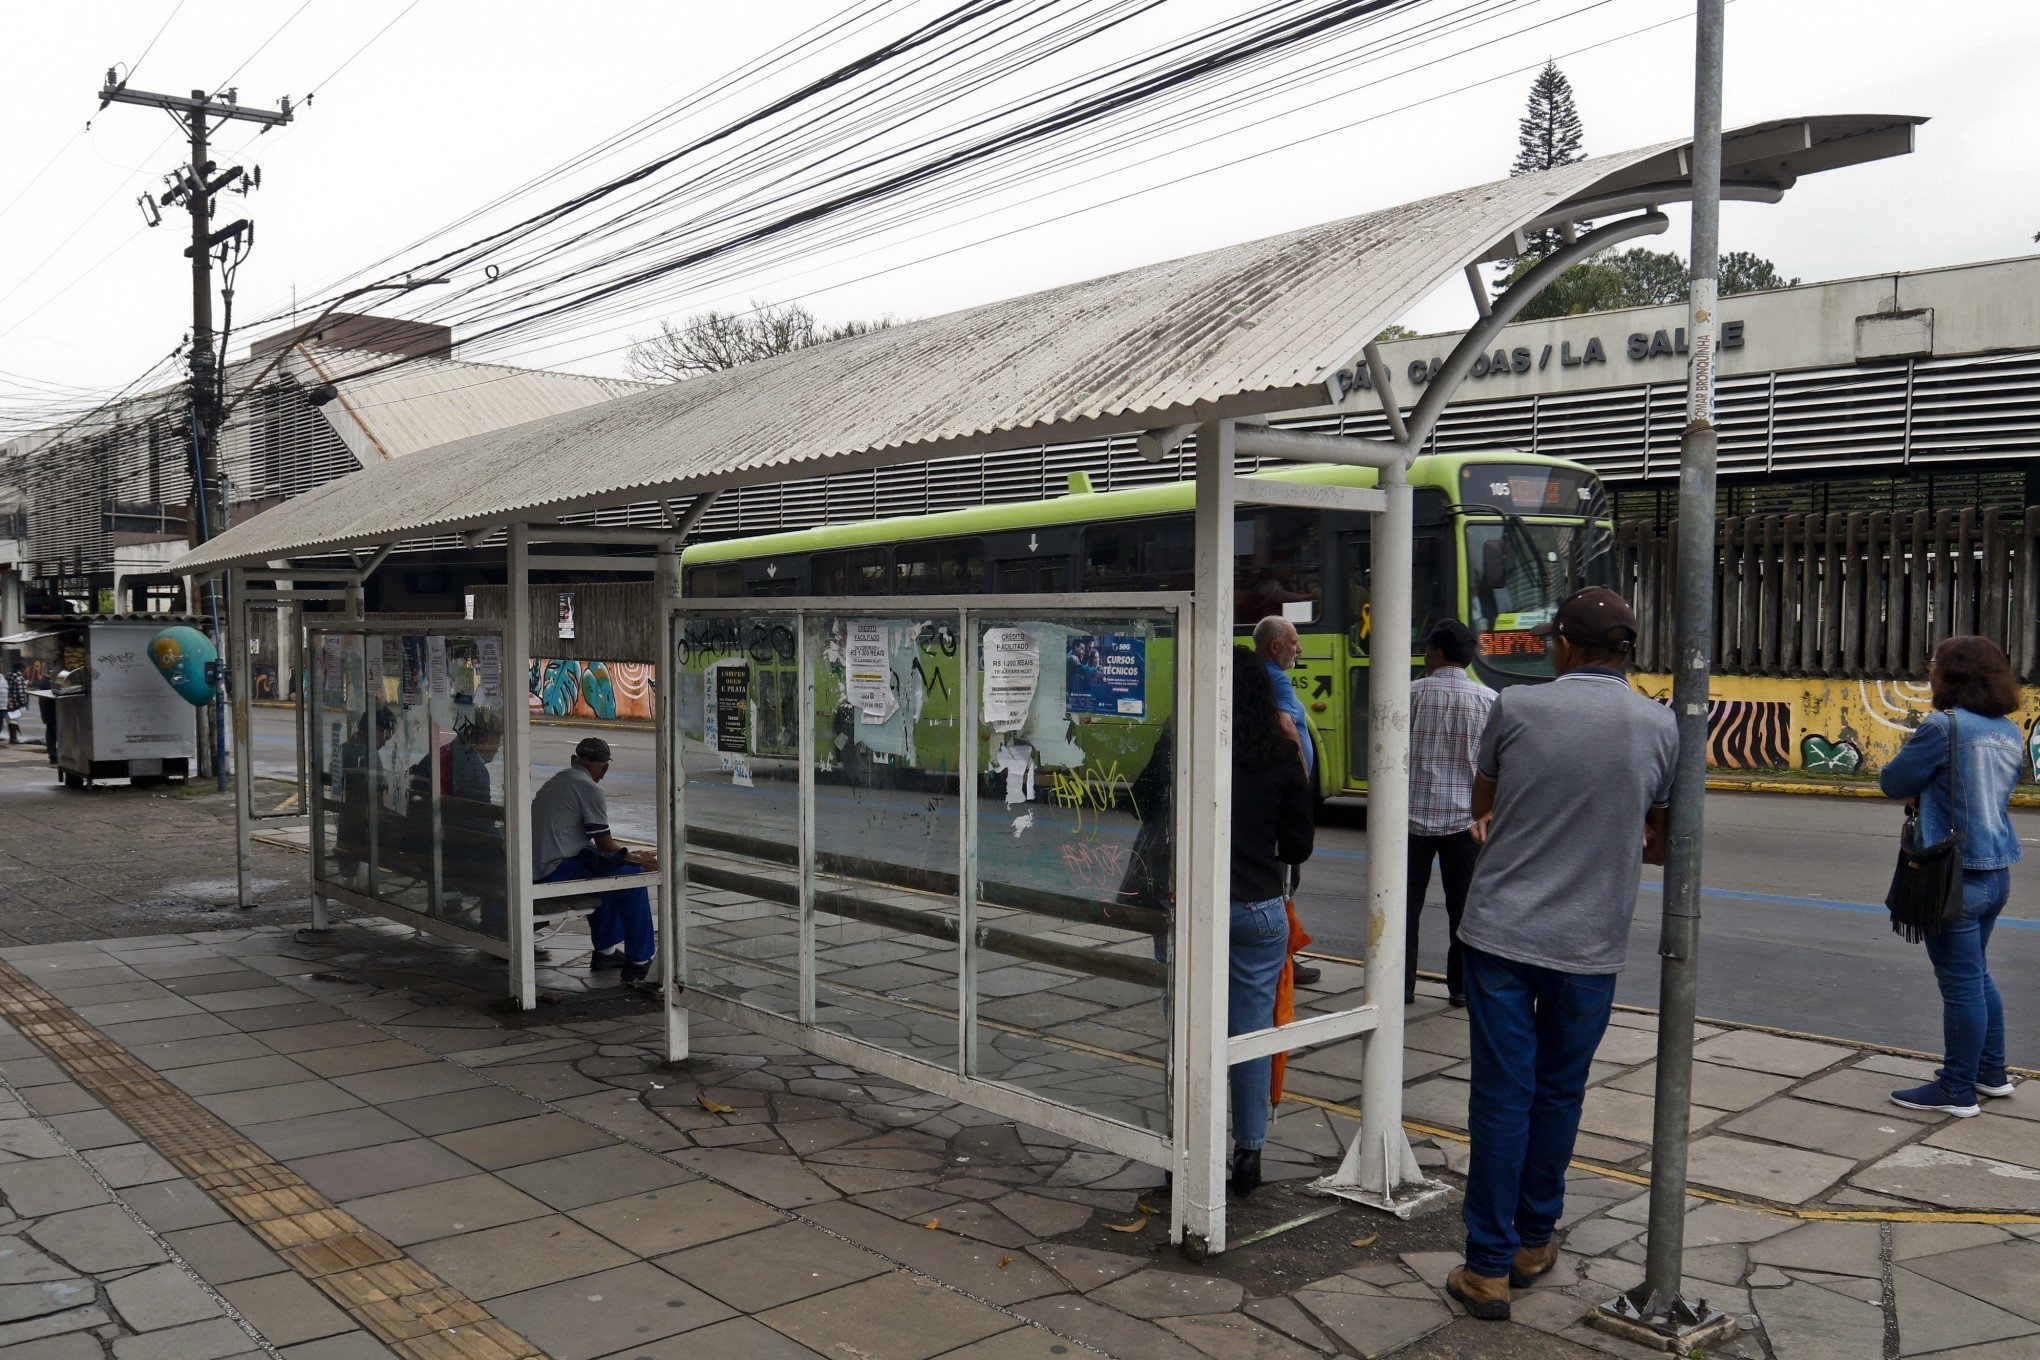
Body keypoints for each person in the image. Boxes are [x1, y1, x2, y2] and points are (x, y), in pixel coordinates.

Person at [1446, 586, 1677, 1322]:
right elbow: (1663, 841)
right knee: (1559, 1090)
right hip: (1592, 939)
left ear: (1565, 646)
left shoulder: (1515, 707)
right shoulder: (1662, 726)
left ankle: (1486, 1268)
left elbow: (1483, 804)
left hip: (1502, 934)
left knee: (1502, 1094)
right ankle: (1535, 1239)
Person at [1878, 636, 2024, 1117]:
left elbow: (1893, 781)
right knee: (1977, 975)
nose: (1928, 672)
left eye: (1933, 664)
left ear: (1951, 674)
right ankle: (1991, 1073)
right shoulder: (2006, 730)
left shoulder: (1943, 727)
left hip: (1952, 872)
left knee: (1961, 983)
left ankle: (1957, 1088)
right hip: (1997, 869)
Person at [1226, 647, 1316, 1197]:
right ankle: (1249, 1155)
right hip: (1257, 907)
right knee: (1252, 1030)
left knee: (1188, 1027)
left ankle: (1185, 1141)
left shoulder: (1185, 738)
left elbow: (1144, 800)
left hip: (1191, 908)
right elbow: (1298, 847)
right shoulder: (1281, 748)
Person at [1406, 620, 1494, 1008]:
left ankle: (1401, 987)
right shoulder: (1489, 700)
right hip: (1465, 824)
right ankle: (1459, 988)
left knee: (1405, 908)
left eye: (1427, 649)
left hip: (1409, 822)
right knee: (1464, 910)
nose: (1424, 656)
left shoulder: (1406, 696)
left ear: (1438, 653)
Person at [532, 735, 658, 982]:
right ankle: (639, 960)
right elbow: (606, 845)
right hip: (551, 870)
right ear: (604, 766)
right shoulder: (589, 788)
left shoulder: (557, 780)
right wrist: (634, 860)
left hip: (535, 864)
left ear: (574, 759)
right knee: (630, 880)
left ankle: (606, 952)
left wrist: (627, 856)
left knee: (609, 872)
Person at [1252, 615, 1321, 988]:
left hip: (1269, 798)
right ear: (1275, 645)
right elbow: (1284, 724)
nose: (1299, 648)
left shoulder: (1261, 674)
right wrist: (1300, 780)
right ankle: (1283, 962)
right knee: (1283, 881)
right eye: (1294, 641)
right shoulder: (1274, 677)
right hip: (1281, 802)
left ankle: (1283, 958)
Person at [4, 660, 26, 744]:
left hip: (8, 702)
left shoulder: (8, 675)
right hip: (16, 703)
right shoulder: (18, 677)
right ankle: (13, 739)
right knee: (14, 720)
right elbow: (20, 692)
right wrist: (23, 702)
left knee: (10, 720)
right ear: (21, 668)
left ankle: (12, 737)